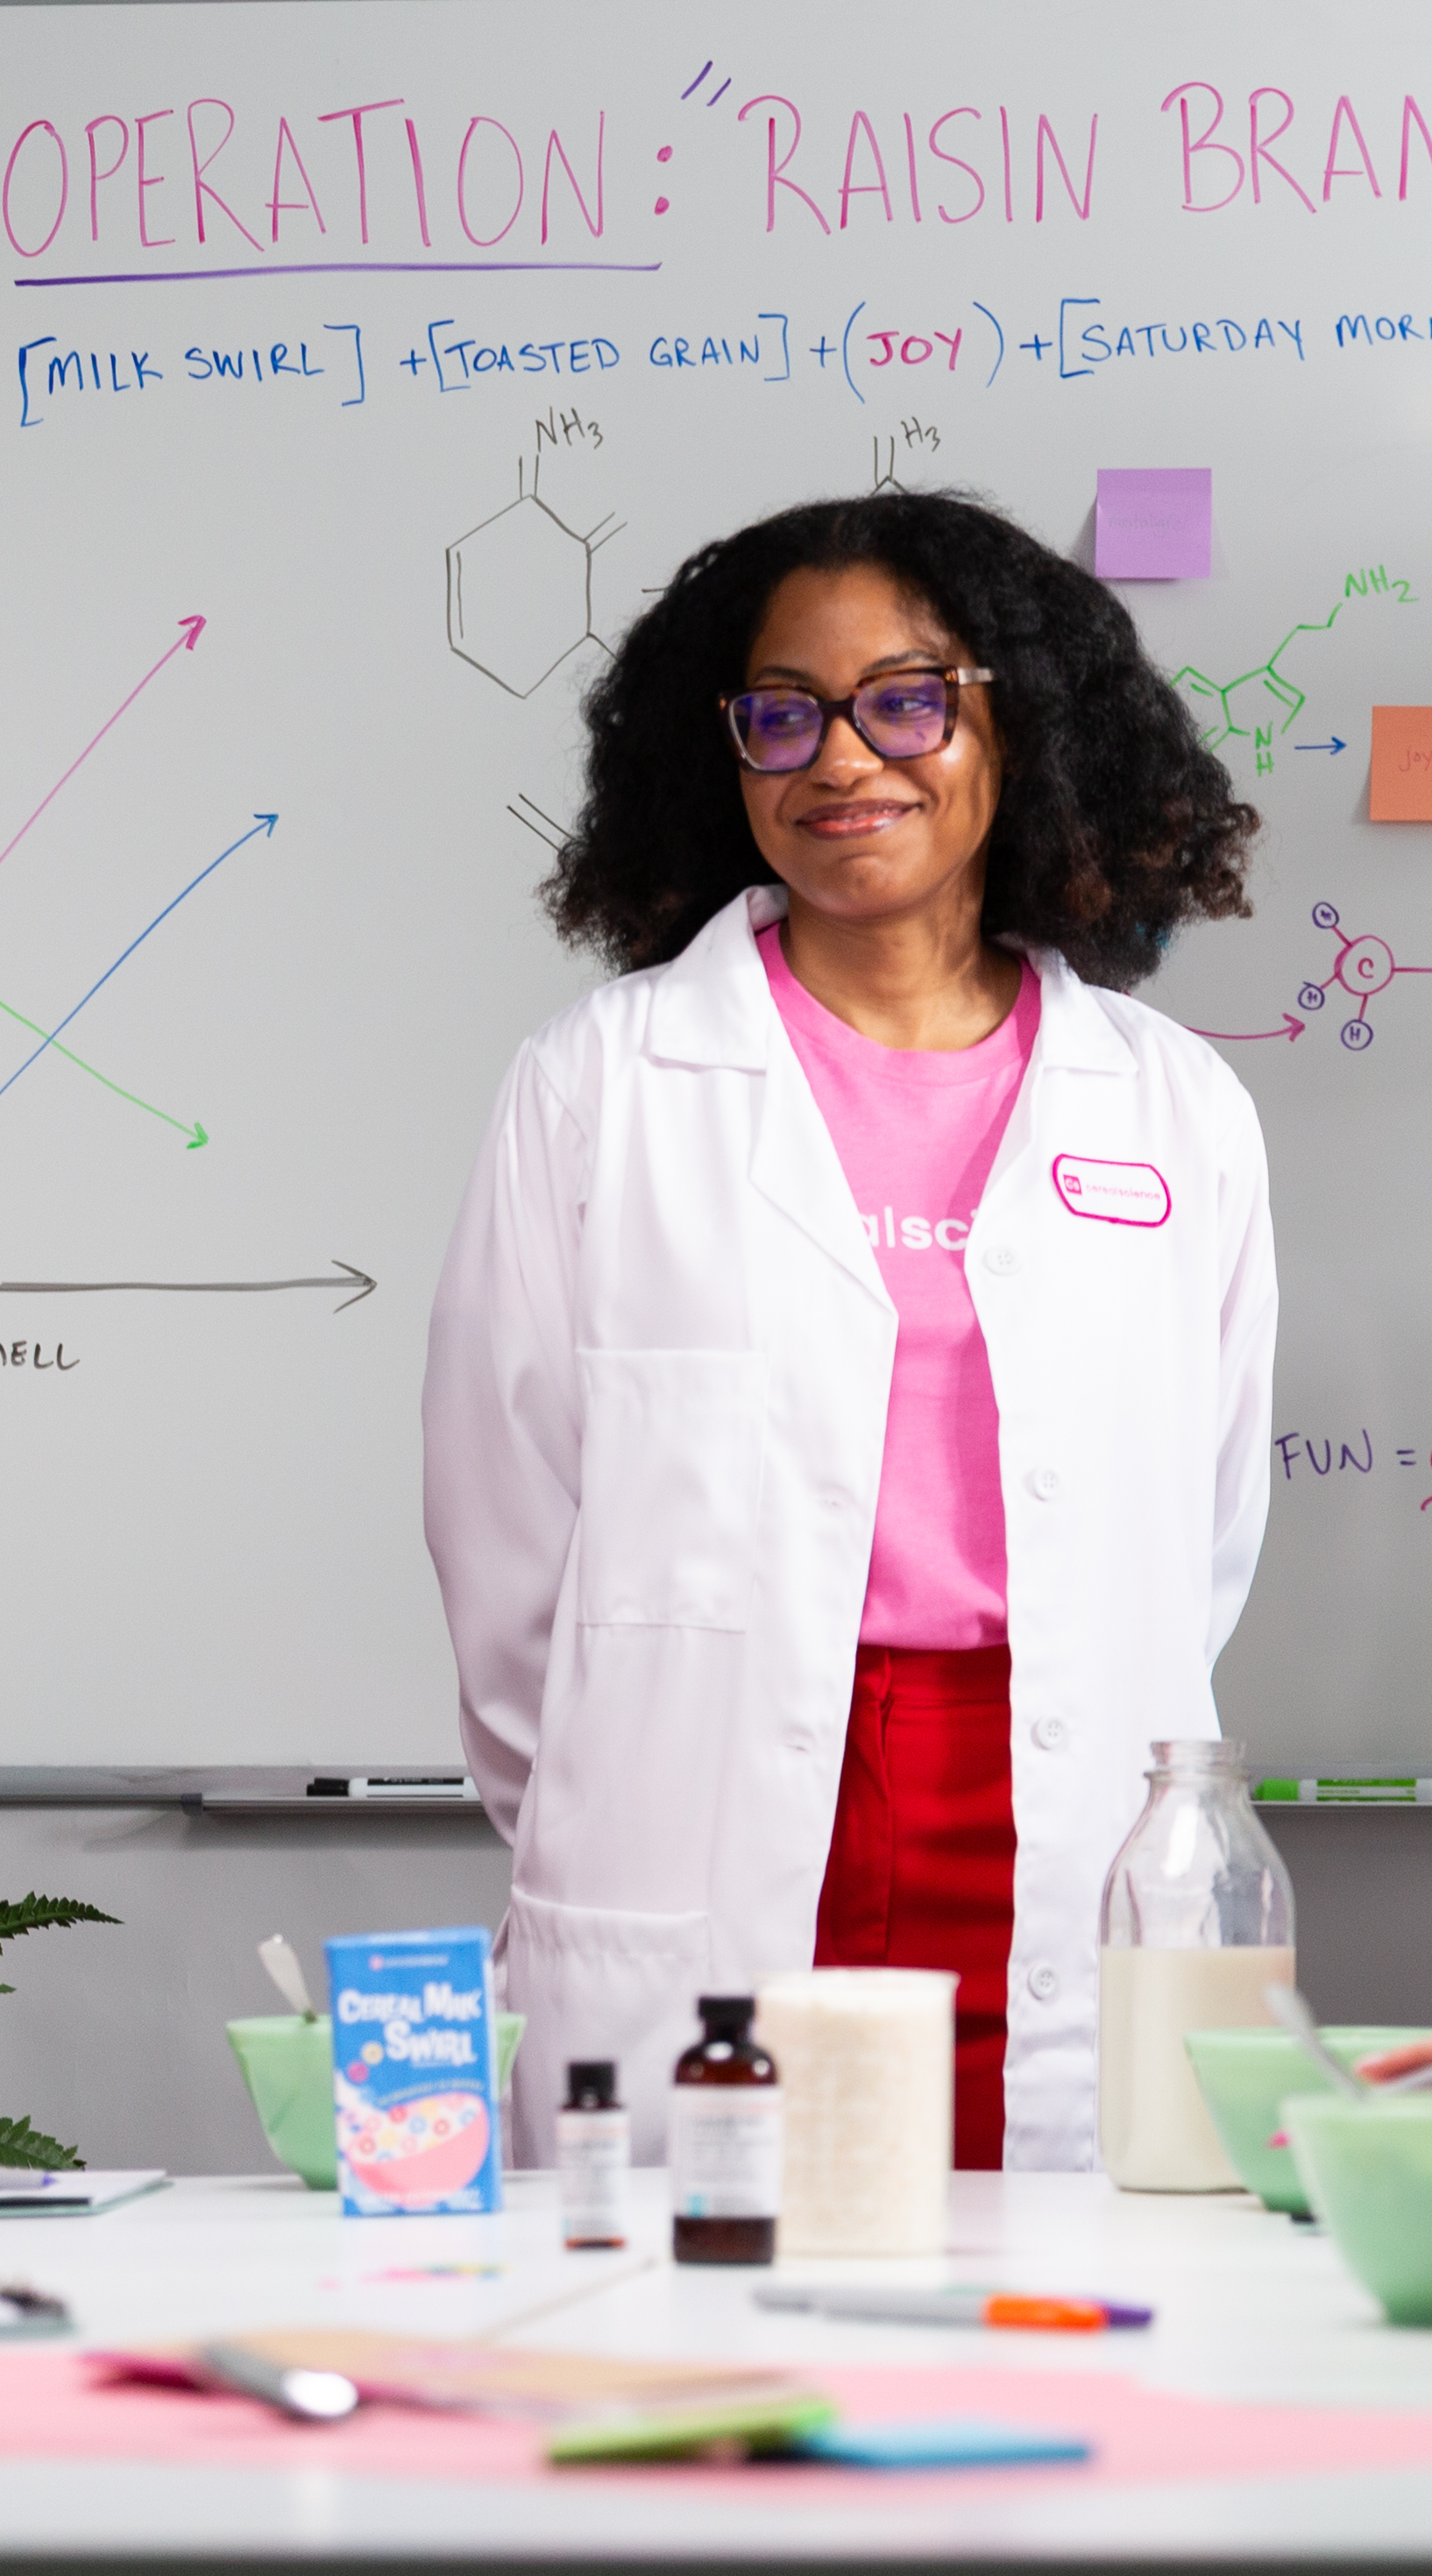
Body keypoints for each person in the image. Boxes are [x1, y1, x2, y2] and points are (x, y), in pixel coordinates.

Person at [424, 491, 1277, 2170]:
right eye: (781, 712)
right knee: (709, 2326)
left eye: (906, 698)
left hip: (1054, 1812)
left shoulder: (1177, 1110)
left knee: (1061, 2334)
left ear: (1014, 718)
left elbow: (1203, 1528)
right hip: (714, 1830)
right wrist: (635, 1786)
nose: (843, 758)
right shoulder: (602, 1086)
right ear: (721, 753)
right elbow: (505, 1545)